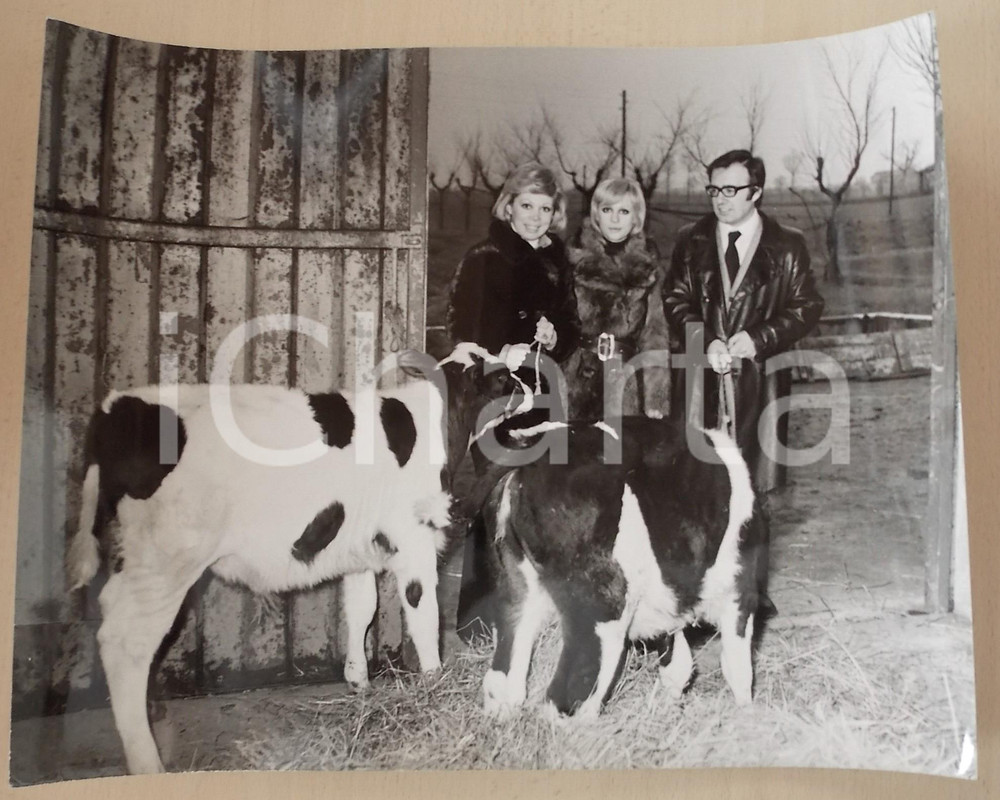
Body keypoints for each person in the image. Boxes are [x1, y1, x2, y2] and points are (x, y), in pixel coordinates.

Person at [664, 149, 824, 491]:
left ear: (756, 192)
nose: (720, 200)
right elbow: (675, 300)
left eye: (730, 190)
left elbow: (807, 305)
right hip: (698, 382)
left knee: (754, 493)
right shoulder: (689, 241)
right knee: (695, 489)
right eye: (714, 190)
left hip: (759, 382)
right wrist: (705, 341)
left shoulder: (788, 245)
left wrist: (760, 338)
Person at [447, 162, 580, 366]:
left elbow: (570, 322)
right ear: (509, 207)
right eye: (527, 206)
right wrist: (501, 351)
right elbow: (461, 326)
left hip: (542, 380)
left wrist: (555, 339)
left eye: (545, 208)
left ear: (554, 214)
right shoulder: (483, 258)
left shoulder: (558, 261)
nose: (536, 217)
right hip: (493, 382)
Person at [565, 177, 670, 420]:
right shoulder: (570, 262)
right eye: (607, 210)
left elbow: (655, 336)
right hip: (574, 382)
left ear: (636, 217)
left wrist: (656, 399)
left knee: (621, 453)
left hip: (626, 384)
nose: (614, 219)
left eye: (623, 211)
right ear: (596, 214)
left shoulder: (649, 269)